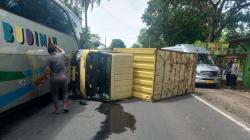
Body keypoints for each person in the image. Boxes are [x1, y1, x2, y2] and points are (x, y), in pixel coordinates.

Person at [46, 44, 69, 113]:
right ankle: (65, 106)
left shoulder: (49, 58)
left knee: (55, 94)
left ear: (49, 52)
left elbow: (47, 70)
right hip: (63, 77)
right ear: (55, 50)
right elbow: (63, 51)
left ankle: (56, 110)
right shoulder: (61, 55)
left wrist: (47, 75)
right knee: (65, 92)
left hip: (54, 78)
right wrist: (57, 46)